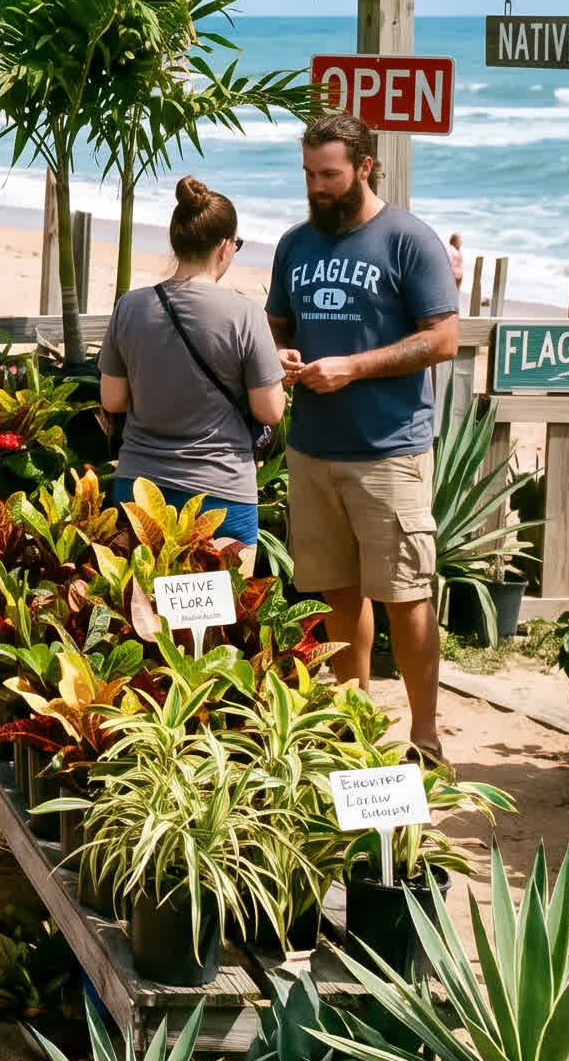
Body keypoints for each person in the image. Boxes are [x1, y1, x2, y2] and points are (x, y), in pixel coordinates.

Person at [266, 114, 460, 759]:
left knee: (405, 594)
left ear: (364, 168)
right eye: (308, 175)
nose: (317, 187)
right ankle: (356, 725)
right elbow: (278, 326)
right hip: (312, 448)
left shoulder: (409, 240)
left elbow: (443, 339)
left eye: (329, 175)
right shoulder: (295, 244)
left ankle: (425, 735)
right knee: (337, 594)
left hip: (389, 450)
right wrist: (287, 356)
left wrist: (355, 366)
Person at [101, 176, 285, 548]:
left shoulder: (130, 307)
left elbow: (113, 400)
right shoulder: (245, 315)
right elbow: (269, 411)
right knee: (220, 605)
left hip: (139, 487)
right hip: (220, 493)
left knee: (140, 604)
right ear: (224, 247)